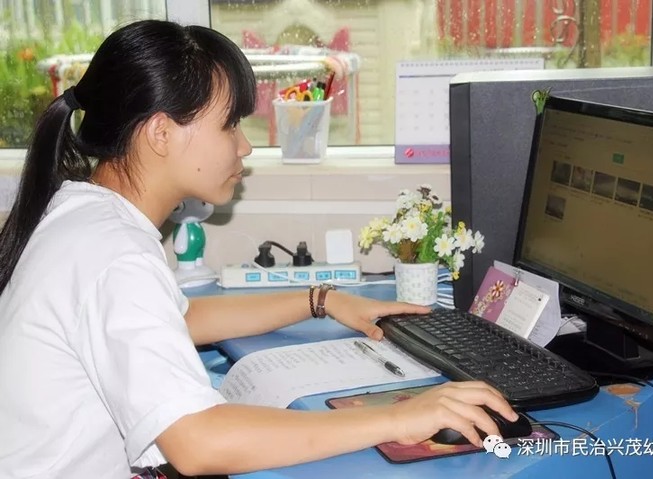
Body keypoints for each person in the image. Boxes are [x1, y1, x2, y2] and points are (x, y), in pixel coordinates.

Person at [0, 20, 519, 478]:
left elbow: (179, 319)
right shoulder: (114, 253)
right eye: (229, 124)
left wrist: (320, 300)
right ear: (160, 133)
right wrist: (401, 417)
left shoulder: (86, 214)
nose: (244, 145)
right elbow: (198, 445)